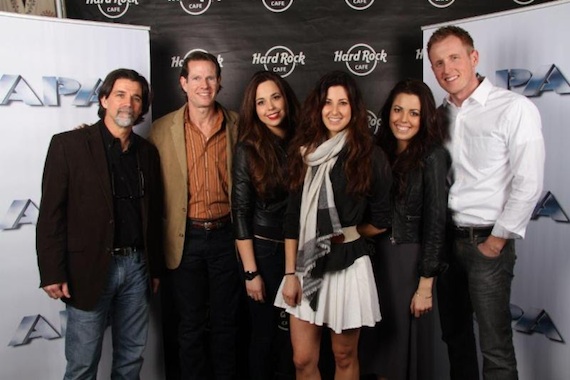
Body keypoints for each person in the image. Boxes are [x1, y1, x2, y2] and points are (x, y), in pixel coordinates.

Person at [427, 25, 545, 379]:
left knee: (495, 347)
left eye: (454, 58)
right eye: (437, 63)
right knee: (455, 339)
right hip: (448, 244)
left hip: (487, 243)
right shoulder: (437, 115)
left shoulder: (513, 108)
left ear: (473, 58)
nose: (446, 69)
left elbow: (529, 181)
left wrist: (497, 241)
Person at [36, 68, 163, 379]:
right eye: (120, 94)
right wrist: (52, 271)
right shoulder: (69, 145)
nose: (128, 103)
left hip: (137, 268)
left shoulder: (147, 153)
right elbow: (51, 213)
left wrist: (155, 267)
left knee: (131, 359)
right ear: (104, 99)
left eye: (136, 98)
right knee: (82, 363)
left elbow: (154, 214)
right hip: (89, 268)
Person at [274, 70, 392, 379]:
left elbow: (382, 220)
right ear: (318, 107)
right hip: (305, 263)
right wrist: (289, 275)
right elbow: (291, 218)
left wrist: (347, 234)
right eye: (328, 102)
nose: (335, 110)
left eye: (343, 103)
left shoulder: (370, 156)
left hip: (348, 264)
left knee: (343, 356)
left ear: (354, 109)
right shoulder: (304, 154)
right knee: (302, 360)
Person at [149, 51, 241, 380]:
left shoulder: (239, 125)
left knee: (226, 324)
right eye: (197, 78)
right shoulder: (161, 130)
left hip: (226, 236)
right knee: (189, 325)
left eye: (211, 77)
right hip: (183, 238)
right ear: (183, 83)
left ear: (220, 82)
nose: (205, 84)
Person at [359, 79, 449, 380]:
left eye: (414, 113)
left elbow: (436, 222)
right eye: (398, 110)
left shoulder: (432, 156)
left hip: (406, 262)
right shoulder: (375, 150)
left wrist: (425, 286)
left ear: (424, 118)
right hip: (370, 259)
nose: (403, 119)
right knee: (371, 348)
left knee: (398, 354)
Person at [231, 70, 299, 380]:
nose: (270, 107)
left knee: (296, 337)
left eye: (275, 97)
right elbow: (241, 213)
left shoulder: (304, 141)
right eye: (260, 102)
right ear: (253, 109)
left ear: (286, 98)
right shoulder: (248, 149)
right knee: (265, 334)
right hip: (265, 253)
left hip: (304, 249)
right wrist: (251, 273)